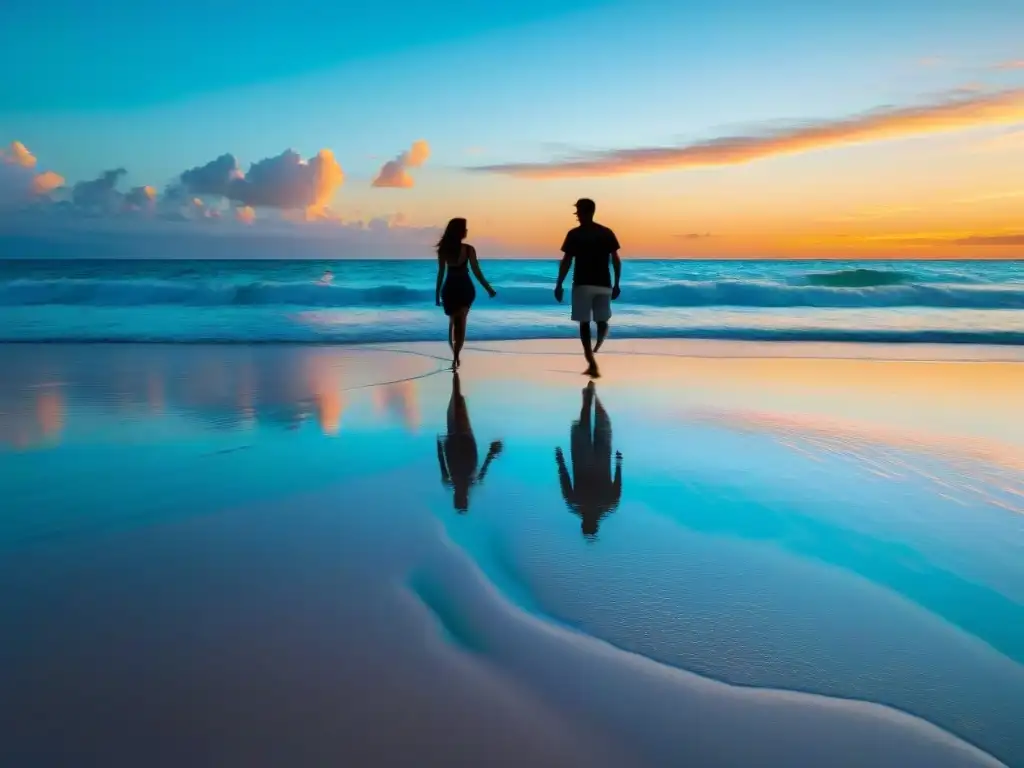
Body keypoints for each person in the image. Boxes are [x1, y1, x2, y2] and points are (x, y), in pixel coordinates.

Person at [554, 198, 621, 378]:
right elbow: (615, 259)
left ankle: (592, 356)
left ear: (585, 212)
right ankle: (594, 353)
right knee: (597, 321)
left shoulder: (575, 234)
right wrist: (617, 283)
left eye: (578, 212)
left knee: (588, 322)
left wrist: (559, 283)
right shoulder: (605, 232)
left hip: (584, 283)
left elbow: (567, 260)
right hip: (601, 283)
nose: (577, 216)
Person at [555, 382, 623, 539]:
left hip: (595, 459)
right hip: (589, 459)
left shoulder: (607, 505)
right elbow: (564, 478)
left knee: (596, 426)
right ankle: (590, 399)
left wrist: (619, 463)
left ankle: (591, 399)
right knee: (588, 426)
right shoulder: (576, 503)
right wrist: (559, 459)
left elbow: (618, 485)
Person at [437, 372, 503, 513]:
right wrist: (492, 452)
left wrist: (439, 447)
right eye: (462, 499)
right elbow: (484, 466)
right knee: (457, 407)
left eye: (459, 498)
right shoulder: (464, 481)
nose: (460, 496)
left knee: (455, 407)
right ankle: (456, 375)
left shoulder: (453, 481)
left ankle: (456, 375)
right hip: (463, 441)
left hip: (457, 441)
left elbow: (442, 462)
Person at [435, 218, 496, 369]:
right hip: (465, 288)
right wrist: (488, 288)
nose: (467, 231)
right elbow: (477, 272)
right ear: (460, 232)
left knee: (453, 323)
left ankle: (454, 355)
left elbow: (441, 273)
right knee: (461, 324)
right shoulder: (469, 249)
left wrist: (437, 294)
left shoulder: (444, 250)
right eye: (465, 228)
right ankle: (456, 356)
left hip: (450, 288)